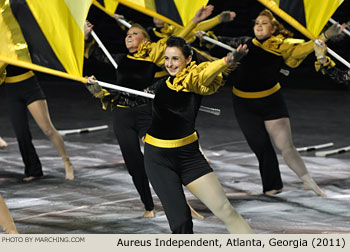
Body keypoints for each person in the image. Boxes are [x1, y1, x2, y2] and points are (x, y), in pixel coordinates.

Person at [84, 5, 215, 218]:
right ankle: (148, 206)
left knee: (164, 157)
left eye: (134, 34)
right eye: (127, 34)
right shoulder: (119, 59)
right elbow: (92, 52)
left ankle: (184, 206)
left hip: (146, 113)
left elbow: (175, 42)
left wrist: (194, 20)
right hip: (122, 115)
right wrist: (87, 38)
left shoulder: (152, 58)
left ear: (145, 41)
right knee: (134, 164)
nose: (129, 36)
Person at [211, 10, 343, 196]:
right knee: (262, 148)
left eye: (264, 23)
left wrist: (327, 35)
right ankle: (273, 186)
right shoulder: (244, 42)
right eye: (257, 22)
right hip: (244, 105)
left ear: (274, 29)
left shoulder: (281, 46)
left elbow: (303, 49)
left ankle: (307, 180)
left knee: (286, 146)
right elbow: (215, 39)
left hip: (271, 101)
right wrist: (203, 33)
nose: (259, 25)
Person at [141, 35, 252, 234]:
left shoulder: (194, 79)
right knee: (181, 222)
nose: (170, 63)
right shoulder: (162, 84)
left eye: (175, 58)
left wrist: (227, 61)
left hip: (188, 156)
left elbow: (207, 73)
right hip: (157, 159)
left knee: (226, 210)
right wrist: (97, 89)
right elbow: (135, 101)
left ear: (188, 59)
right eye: (167, 58)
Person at [1, 65, 74, 181]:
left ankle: (67, 162)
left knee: (48, 129)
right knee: (21, 134)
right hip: (11, 89)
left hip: (29, 85)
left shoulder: (22, 45)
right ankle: (34, 170)